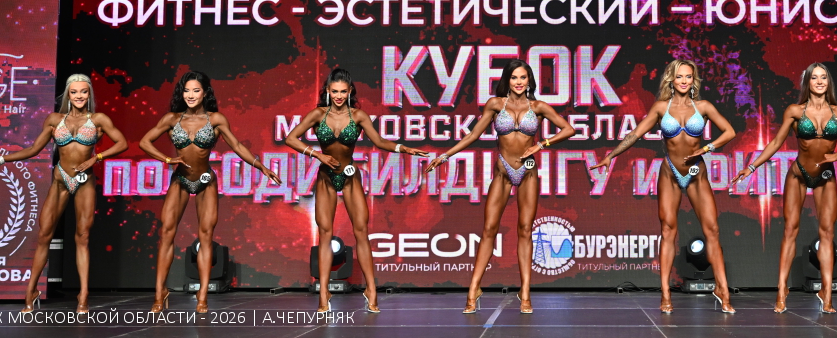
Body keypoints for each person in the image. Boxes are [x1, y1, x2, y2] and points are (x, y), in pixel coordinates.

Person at [424, 59, 574, 314]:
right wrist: (446, 155)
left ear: (529, 80)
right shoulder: (495, 104)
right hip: (503, 172)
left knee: (525, 230)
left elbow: (568, 129)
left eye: (523, 77)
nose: (519, 82)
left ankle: (525, 293)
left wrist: (541, 144)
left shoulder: (538, 107)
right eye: (514, 77)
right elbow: (473, 135)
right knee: (489, 229)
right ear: (507, 80)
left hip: (527, 173)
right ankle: (473, 289)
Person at [590, 58, 738, 314]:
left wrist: (706, 148)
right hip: (670, 172)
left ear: (693, 80)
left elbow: (729, 132)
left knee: (712, 229)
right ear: (672, 79)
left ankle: (722, 289)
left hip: (696, 172)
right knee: (668, 230)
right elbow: (635, 134)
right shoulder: (661, 107)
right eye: (679, 76)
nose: (684, 81)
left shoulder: (703, 107)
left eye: (688, 76)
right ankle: (665, 293)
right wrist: (611, 156)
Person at [284, 67, 430, 313]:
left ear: (350, 91)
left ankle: (371, 289)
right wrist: (317, 155)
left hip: (350, 177)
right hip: (326, 178)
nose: (339, 96)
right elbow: (290, 138)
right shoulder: (318, 114)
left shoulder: (359, 116)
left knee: (361, 232)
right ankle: (323, 292)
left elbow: (379, 141)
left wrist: (403, 149)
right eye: (334, 91)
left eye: (343, 91)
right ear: (327, 91)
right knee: (325, 234)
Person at [0, 73, 128, 313]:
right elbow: (33, 149)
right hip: (60, 180)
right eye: (74, 92)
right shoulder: (54, 119)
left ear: (89, 93)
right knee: (44, 235)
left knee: (82, 237)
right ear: (68, 94)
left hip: (84, 182)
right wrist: (1, 159)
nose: (79, 96)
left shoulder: (98, 119)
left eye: (84, 92)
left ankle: (83, 294)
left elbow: (122, 143)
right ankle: (31, 290)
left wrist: (96, 158)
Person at [733, 62, 837, 314]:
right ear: (807, 82)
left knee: (827, 233)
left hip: (825, 176)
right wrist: (751, 167)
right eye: (814, 78)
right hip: (798, 174)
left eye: (823, 78)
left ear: (828, 82)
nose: (819, 82)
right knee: (790, 230)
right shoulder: (795, 111)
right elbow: (776, 142)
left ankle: (827, 294)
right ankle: (781, 290)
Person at [138, 70, 281, 314]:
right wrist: (167, 159)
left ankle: (202, 295)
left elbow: (236, 145)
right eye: (186, 90)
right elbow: (144, 142)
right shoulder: (172, 119)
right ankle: (160, 293)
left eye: (196, 90)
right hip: (180, 180)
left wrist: (261, 167)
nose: (191, 95)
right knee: (167, 233)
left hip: (206, 181)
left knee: (205, 236)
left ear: (205, 93)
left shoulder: (216, 119)